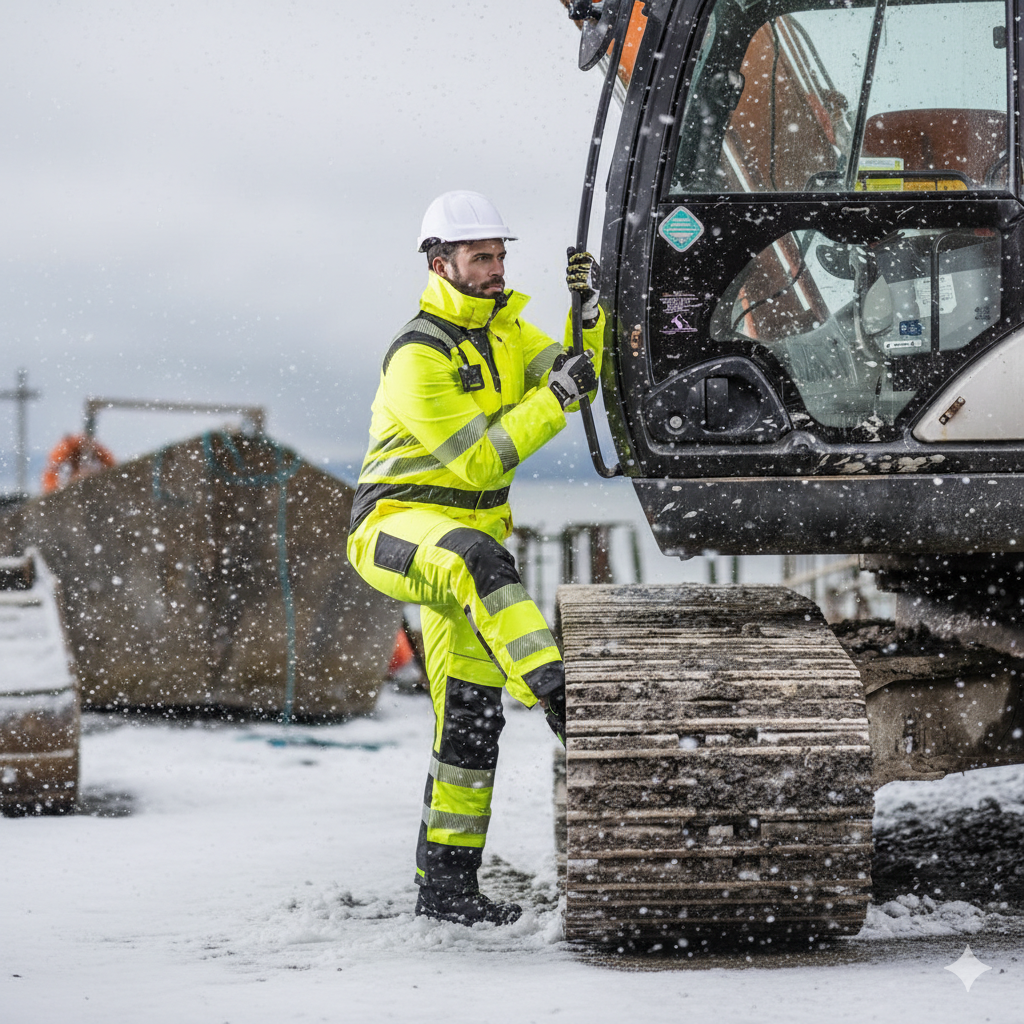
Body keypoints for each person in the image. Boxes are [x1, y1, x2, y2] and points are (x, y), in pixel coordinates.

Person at [346, 190, 604, 926]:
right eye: (480, 258)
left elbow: (578, 371)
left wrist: (590, 316)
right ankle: (561, 700)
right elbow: (481, 463)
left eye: (500, 256)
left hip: (462, 546)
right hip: (391, 528)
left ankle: (448, 891)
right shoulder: (416, 355)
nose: (495, 269)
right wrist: (553, 399)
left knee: (469, 723)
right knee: (476, 559)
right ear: (441, 263)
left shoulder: (508, 334)